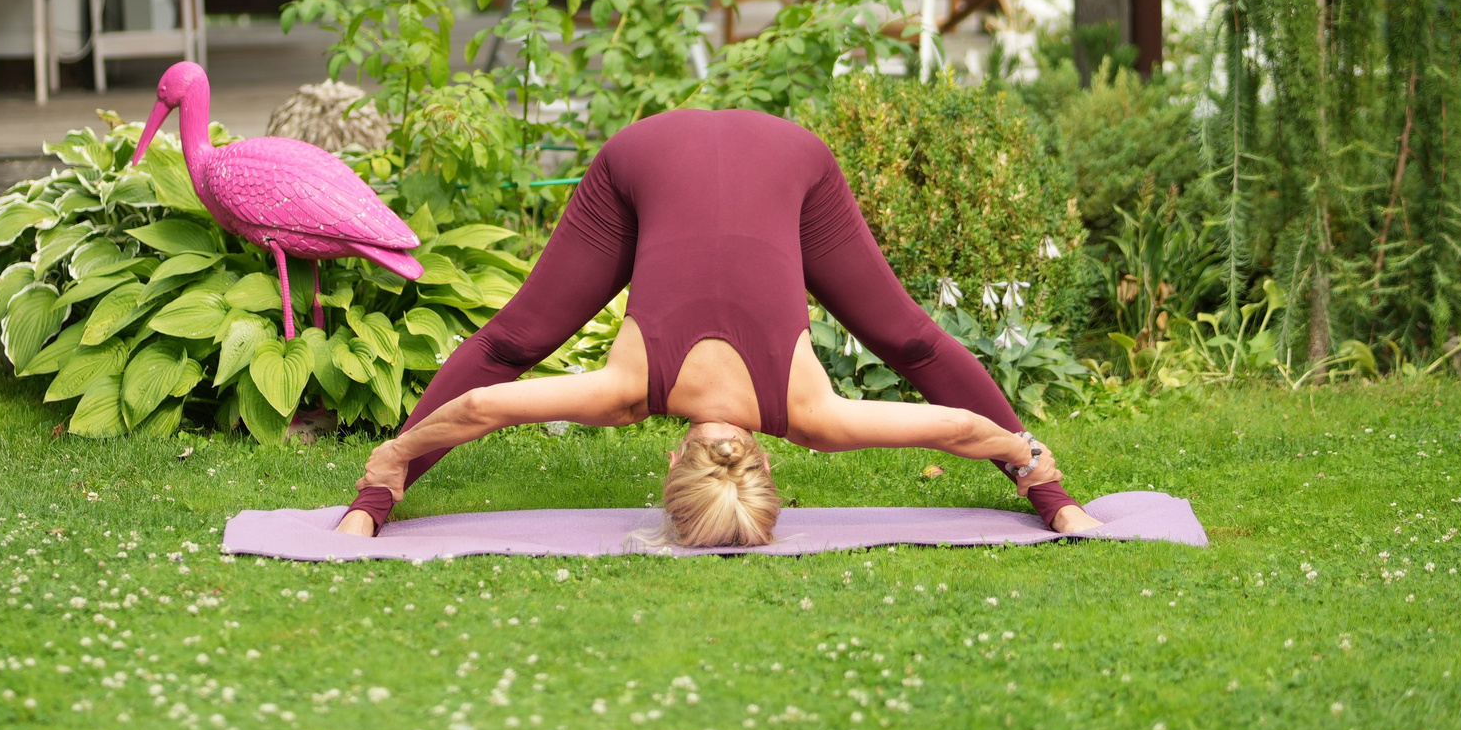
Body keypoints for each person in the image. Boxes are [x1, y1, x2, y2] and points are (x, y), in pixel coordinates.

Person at [339, 108, 1099, 545]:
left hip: (712, 157)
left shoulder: (813, 416)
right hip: (732, 158)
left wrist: (1031, 461)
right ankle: (372, 507)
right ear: (671, 462)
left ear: (763, 462)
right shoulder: (626, 390)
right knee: (513, 342)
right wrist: (388, 465)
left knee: (911, 340)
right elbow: (481, 408)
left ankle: (1056, 503)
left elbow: (958, 429)